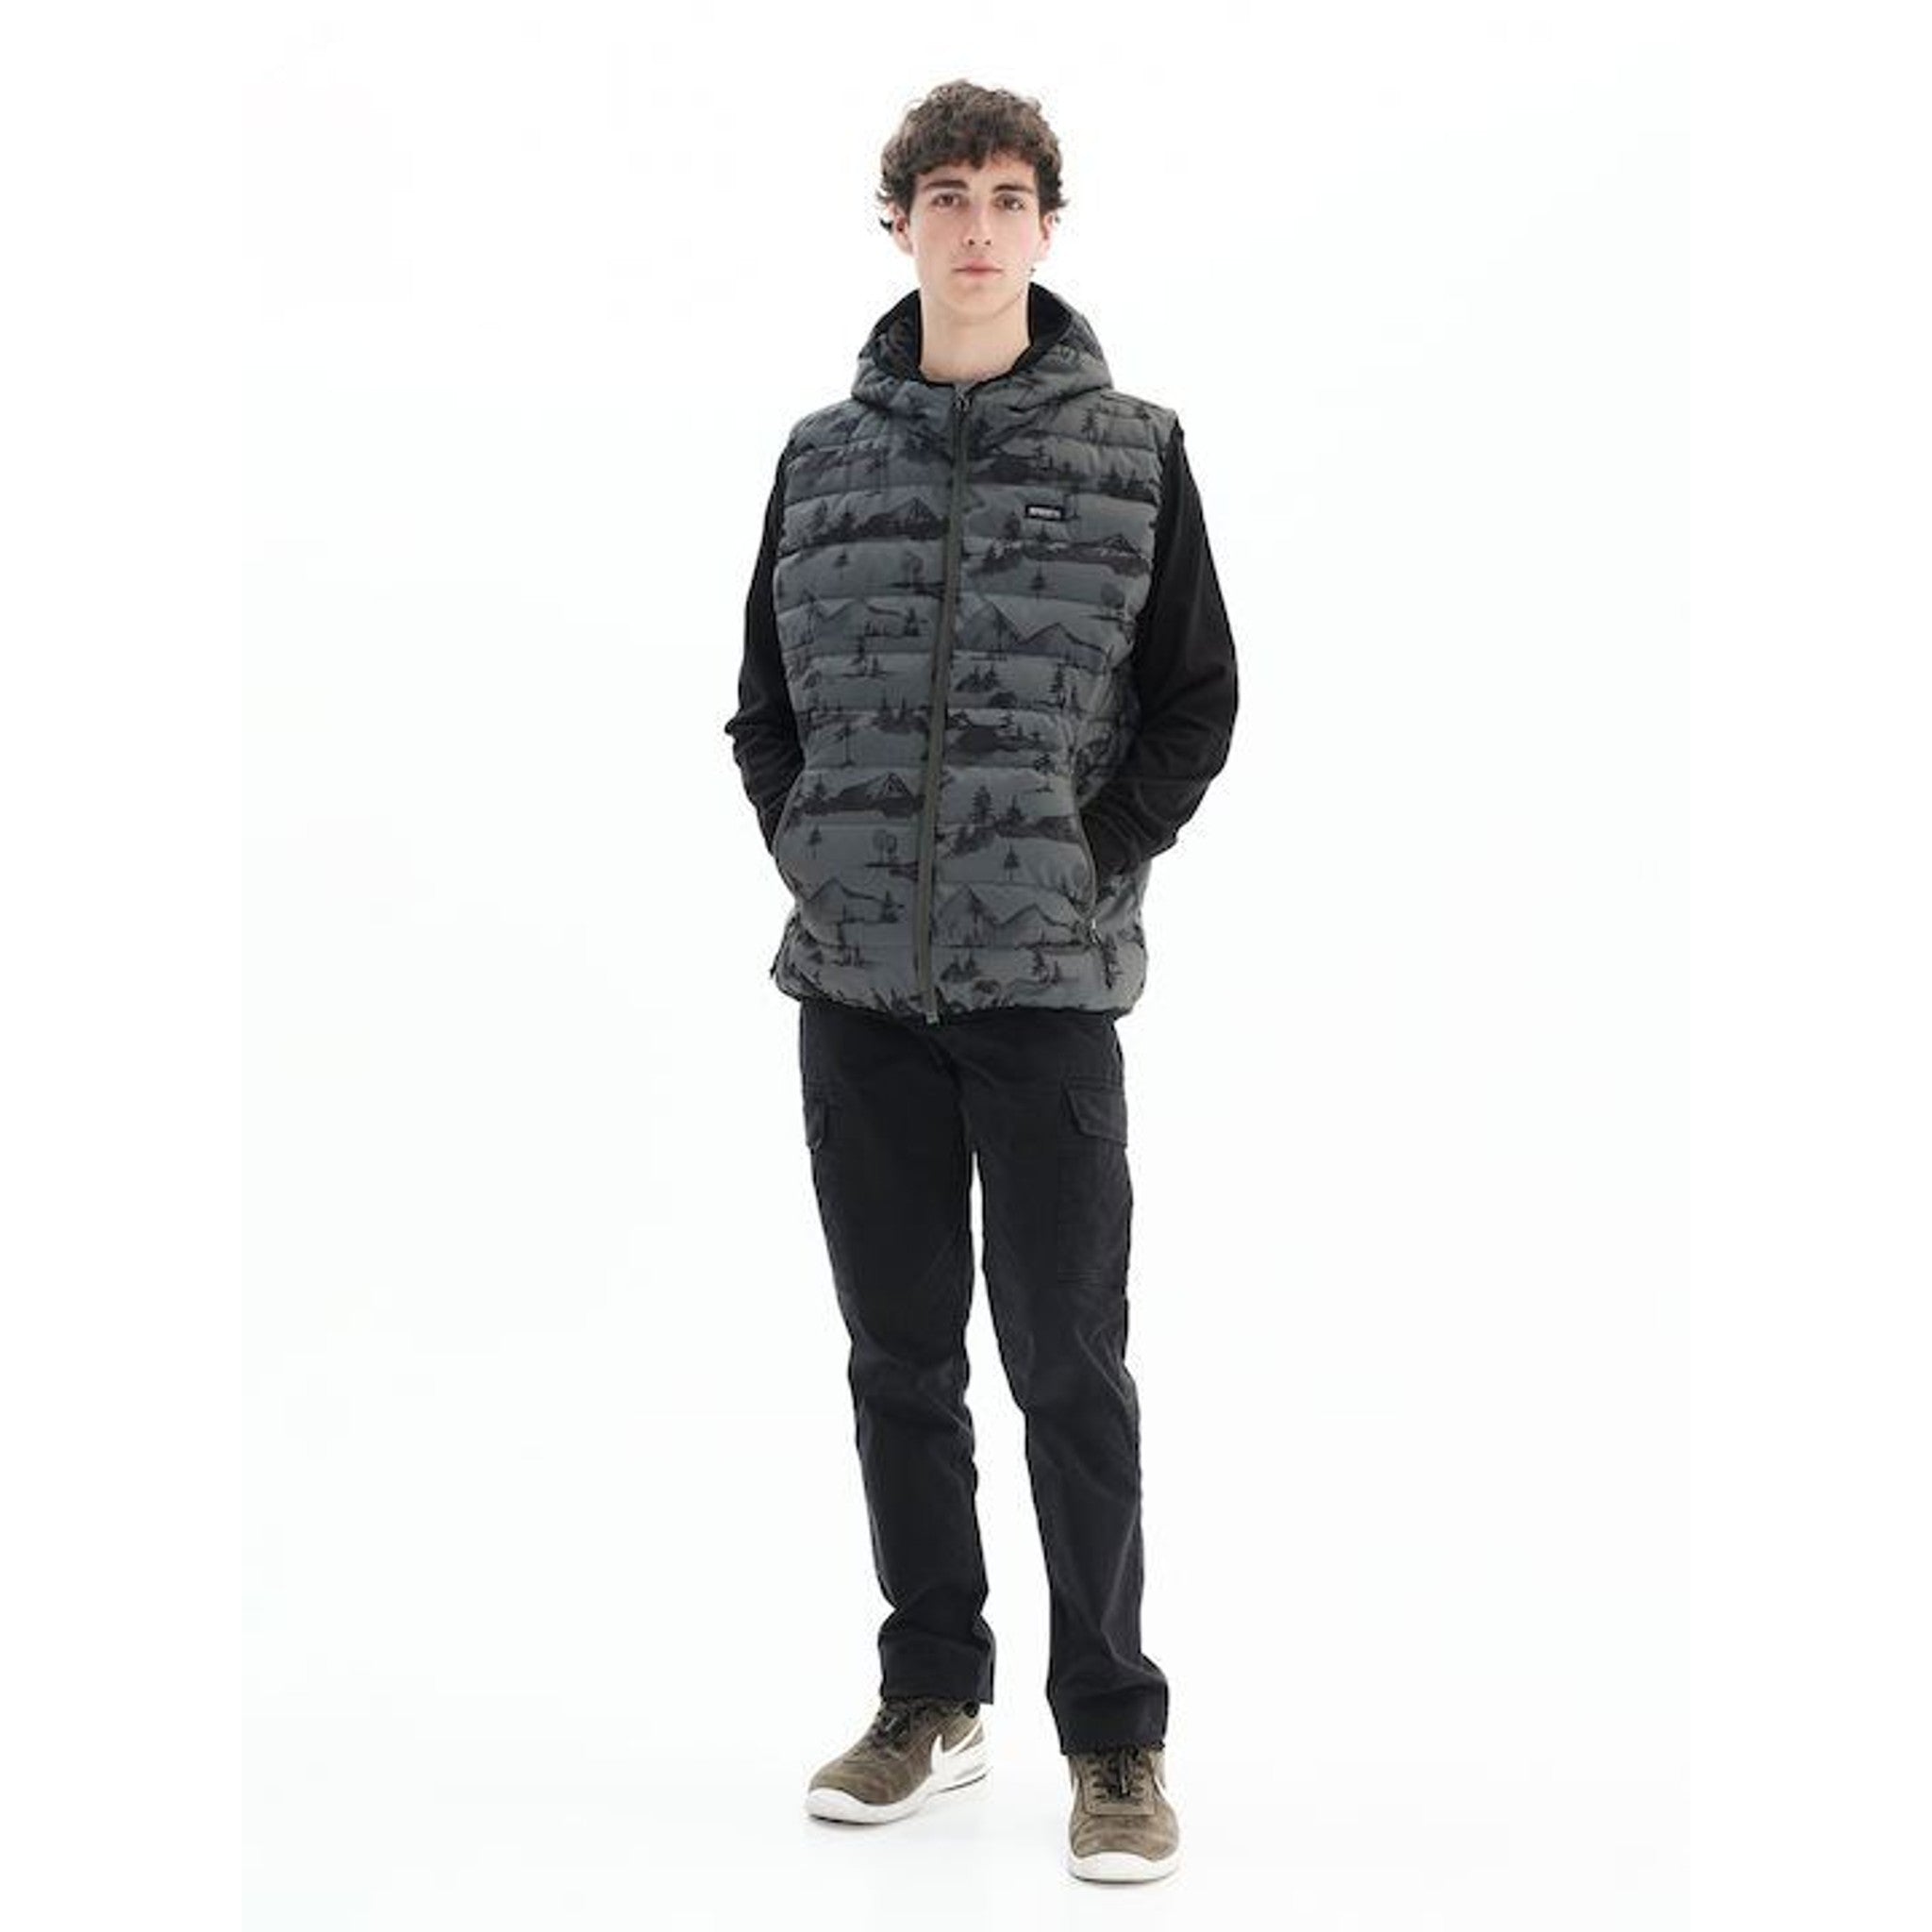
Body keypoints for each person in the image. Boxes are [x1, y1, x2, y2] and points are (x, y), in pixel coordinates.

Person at [724, 78, 1238, 1884]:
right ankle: (930, 1698)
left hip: (1045, 996)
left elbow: (1194, 702)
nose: (978, 224)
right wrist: (816, 847)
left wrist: (1091, 858)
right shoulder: (820, 456)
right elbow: (763, 708)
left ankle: (1114, 1737)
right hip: (855, 992)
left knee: (1068, 1367)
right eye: (946, 193)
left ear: (1046, 226)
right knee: (898, 1360)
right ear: (899, 223)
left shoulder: (1136, 451)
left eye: (1009, 195)